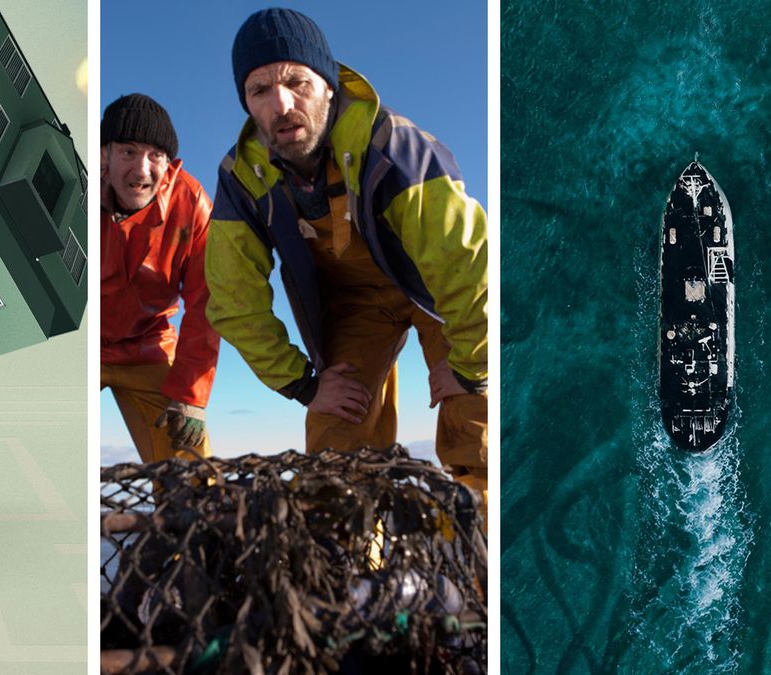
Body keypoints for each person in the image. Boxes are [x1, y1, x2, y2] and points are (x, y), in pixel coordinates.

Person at [205, 8, 489, 501]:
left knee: (475, 421)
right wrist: (303, 385)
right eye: (260, 91)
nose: (282, 103)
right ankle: (353, 568)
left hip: (435, 294)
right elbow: (234, 297)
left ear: (330, 86)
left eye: (298, 82)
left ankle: (484, 563)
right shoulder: (240, 179)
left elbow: (469, 264)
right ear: (247, 105)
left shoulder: (395, 146)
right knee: (335, 437)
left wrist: (470, 368)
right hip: (355, 311)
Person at [100, 93, 221, 463]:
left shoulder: (193, 203)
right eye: (128, 152)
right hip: (79, 346)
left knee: (190, 469)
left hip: (147, 346)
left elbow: (207, 301)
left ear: (169, 163)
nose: (142, 170)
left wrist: (191, 396)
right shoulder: (73, 184)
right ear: (104, 153)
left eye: (155, 156)